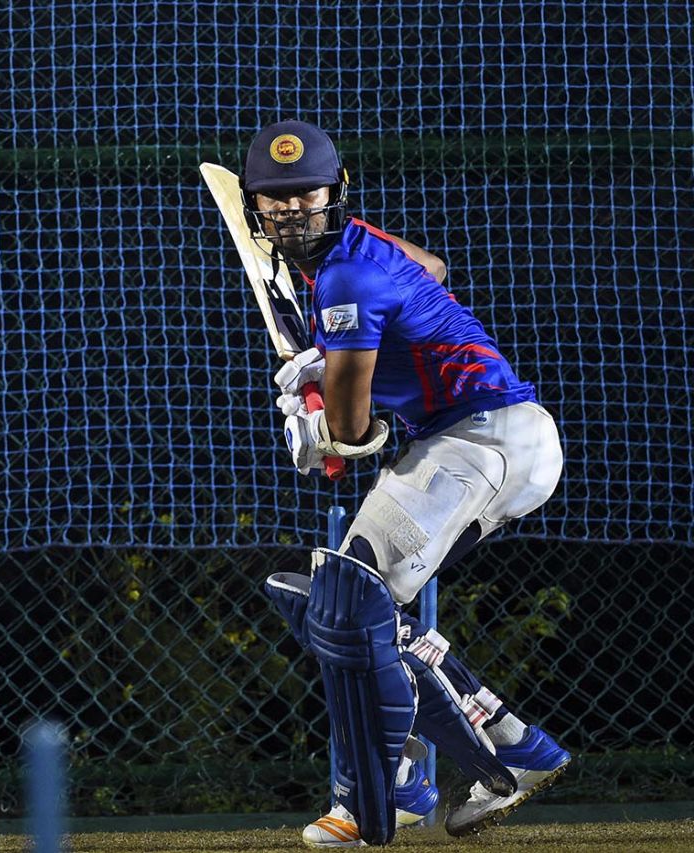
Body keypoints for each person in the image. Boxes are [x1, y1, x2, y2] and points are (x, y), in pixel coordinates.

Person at [250, 121, 571, 847]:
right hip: (491, 436)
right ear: (255, 206)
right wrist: (339, 352)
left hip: (481, 434)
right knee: (353, 607)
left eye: (306, 195)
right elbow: (433, 266)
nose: (292, 210)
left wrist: (316, 415)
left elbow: (356, 432)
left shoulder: (345, 276)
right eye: (275, 199)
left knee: (346, 607)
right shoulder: (358, 248)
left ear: (335, 192)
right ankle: (514, 747)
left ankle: (382, 795)